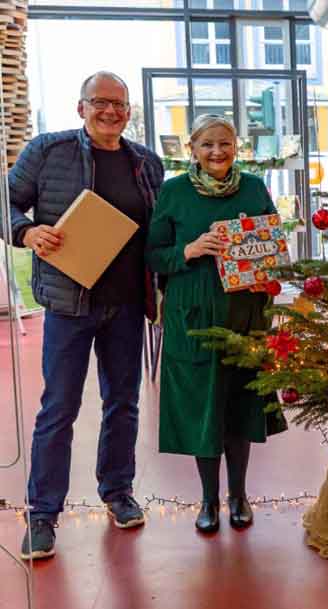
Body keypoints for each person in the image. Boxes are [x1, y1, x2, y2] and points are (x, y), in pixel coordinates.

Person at [9, 71, 164, 560]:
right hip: (68, 303)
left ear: (128, 111)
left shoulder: (146, 163)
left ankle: (118, 493)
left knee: (124, 403)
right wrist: (26, 232)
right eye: (100, 102)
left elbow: (158, 230)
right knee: (59, 409)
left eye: (119, 104)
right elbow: (5, 201)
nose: (110, 111)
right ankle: (42, 514)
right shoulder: (47, 151)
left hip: (126, 306)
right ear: (81, 107)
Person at [146, 114, 287, 534]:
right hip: (192, 314)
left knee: (239, 406)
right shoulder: (173, 193)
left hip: (244, 312)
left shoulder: (255, 188)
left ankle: (238, 495)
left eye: (224, 143)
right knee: (201, 408)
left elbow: (273, 243)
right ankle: (207, 499)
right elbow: (152, 255)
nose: (217, 152)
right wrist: (187, 250)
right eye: (207, 144)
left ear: (236, 146)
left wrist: (268, 270)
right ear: (192, 148)